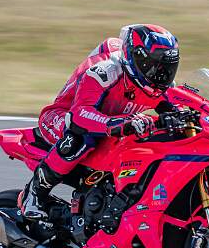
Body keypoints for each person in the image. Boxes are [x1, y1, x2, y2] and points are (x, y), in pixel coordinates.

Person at [19, 24, 180, 220]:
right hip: (61, 117)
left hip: (110, 124)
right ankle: (33, 195)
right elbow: (80, 115)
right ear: (137, 58)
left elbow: (178, 107)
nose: (162, 74)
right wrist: (120, 123)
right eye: (155, 65)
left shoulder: (158, 84)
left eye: (168, 67)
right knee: (79, 138)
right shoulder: (106, 71)